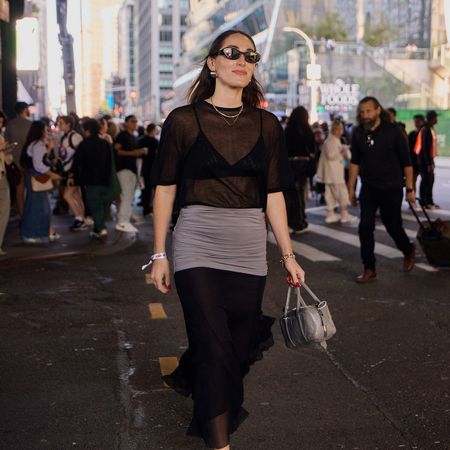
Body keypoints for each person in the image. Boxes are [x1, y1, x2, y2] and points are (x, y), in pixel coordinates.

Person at [146, 30, 304, 450]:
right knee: (216, 350)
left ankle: (191, 375)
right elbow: (164, 188)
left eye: (250, 56)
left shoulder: (268, 125)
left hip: (249, 249)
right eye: (231, 53)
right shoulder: (183, 120)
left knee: (235, 349)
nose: (242, 60)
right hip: (196, 243)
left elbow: (273, 195)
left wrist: (288, 255)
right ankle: (219, 443)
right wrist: (160, 252)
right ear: (212, 63)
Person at [348, 97, 416, 283]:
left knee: (392, 225)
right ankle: (369, 268)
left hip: (392, 187)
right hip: (369, 188)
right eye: (362, 112)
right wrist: (351, 189)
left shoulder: (394, 130)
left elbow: (407, 162)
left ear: (378, 110)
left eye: (368, 111)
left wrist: (410, 189)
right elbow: (355, 162)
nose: (365, 115)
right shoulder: (359, 132)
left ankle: (408, 249)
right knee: (365, 227)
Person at [72, 119, 116, 240]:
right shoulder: (105, 143)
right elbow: (110, 163)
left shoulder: (84, 144)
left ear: (87, 131)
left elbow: (77, 163)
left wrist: (74, 177)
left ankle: (100, 228)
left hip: (90, 180)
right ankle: (98, 228)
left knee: (94, 205)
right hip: (105, 179)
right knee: (101, 205)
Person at [19, 121, 61, 243]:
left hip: (34, 176)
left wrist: (49, 149)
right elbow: (40, 165)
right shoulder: (38, 145)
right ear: (41, 131)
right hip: (37, 177)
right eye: (45, 130)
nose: (47, 132)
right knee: (38, 207)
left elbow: (41, 160)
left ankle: (43, 232)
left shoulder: (35, 144)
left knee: (36, 206)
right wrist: (52, 174)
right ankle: (32, 234)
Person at [317, 121, 357, 224]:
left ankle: (331, 214)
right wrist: (342, 149)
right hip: (334, 174)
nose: (341, 131)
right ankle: (343, 214)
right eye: (340, 129)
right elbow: (331, 155)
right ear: (335, 129)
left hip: (332, 173)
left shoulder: (333, 140)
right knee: (341, 193)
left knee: (331, 194)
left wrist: (342, 149)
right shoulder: (331, 141)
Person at [113, 115, 148, 232]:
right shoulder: (122, 135)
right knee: (126, 196)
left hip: (132, 169)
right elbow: (116, 150)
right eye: (132, 121)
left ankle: (124, 220)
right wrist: (133, 153)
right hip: (124, 169)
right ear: (126, 123)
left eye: (136, 121)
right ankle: (122, 222)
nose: (135, 123)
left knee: (129, 196)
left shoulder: (132, 136)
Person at [284, 106, 315, 234]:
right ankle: (300, 222)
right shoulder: (307, 130)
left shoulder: (288, 129)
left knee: (290, 194)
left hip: (289, 163)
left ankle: (290, 222)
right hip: (302, 164)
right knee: (299, 193)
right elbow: (312, 149)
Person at [57, 115, 86, 230]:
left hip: (74, 171)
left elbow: (81, 155)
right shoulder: (64, 136)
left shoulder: (75, 136)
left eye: (61, 123)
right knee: (76, 195)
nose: (59, 125)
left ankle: (79, 218)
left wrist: (73, 172)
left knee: (67, 195)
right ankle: (82, 218)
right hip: (68, 169)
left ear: (69, 124)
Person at [4, 102, 32, 218]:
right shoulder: (30, 124)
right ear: (25, 109)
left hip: (15, 162)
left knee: (19, 190)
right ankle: (31, 215)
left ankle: (22, 216)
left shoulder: (10, 125)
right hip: (29, 161)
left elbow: (6, 144)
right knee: (32, 189)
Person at [415, 110, 439, 209]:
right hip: (424, 160)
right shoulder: (425, 129)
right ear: (432, 118)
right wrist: (428, 163)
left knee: (430, 180)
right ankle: (423, 202)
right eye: (435, 117)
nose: (437, 119)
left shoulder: (430, 128)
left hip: (429, 159)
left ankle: (429, 201)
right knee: (425, 180)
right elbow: (425, 147)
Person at [138, 123, 158, 216]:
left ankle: (146, 209)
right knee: (155, 190)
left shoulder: (141, 140)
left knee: (146, 190)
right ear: (153, 130)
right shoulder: (155, 141)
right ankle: (153, 208)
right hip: (154, 168)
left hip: (144, 167)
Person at [0, 135, 13, 255]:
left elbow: (8, 161)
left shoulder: (1, 137)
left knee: (4, 211)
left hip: (2, 176)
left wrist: (8, 152)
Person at [407, 114, 425, 199]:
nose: (416, 123)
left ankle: (424, 200)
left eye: (418, 121)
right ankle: (412, 198)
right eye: (415, 122)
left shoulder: (424, 132)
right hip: (414, 161)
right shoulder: (412, 134)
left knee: (425, 181)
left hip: (423, 160)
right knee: (413, 180)